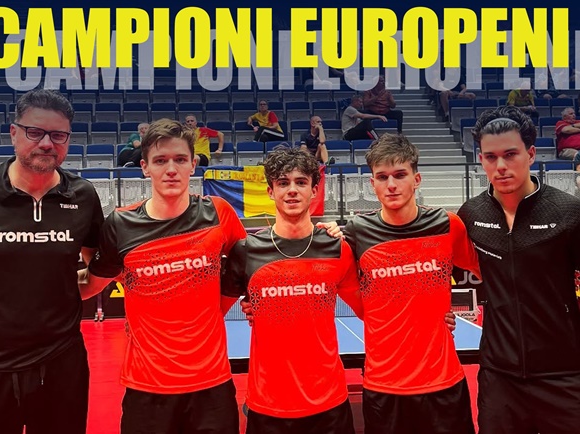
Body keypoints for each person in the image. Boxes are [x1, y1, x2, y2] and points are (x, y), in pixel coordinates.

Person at [78, 118, 247, 434]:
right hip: (147, 388)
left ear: (193, 165)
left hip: (212, 385)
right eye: (160, 161)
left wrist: (322, 233)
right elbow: (89, 284)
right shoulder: (121, 224)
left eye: (180, 159)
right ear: (144, 167)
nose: (171, 169)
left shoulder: (218, 213)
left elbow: (255, 263)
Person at [0, 89, 104, 434]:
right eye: (35, 132)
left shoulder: (82, 195)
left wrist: (63, 294)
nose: (47, 143)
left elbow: (99, 263)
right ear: (13, 133)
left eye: (58, 135)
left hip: (61, 363)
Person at [341, 133, 481, 434]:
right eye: (382, 177)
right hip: (384, 387)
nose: (391, 184)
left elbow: (490, 271)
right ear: (372, 184)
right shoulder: (355, 232)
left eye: (400, 175)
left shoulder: (447, 225)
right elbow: (327, 280)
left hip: (444, 383)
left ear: (416, 179)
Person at [222, 146, 363, 434]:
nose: (292, 190)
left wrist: (434, 317)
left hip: (329, 403)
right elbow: (209, 315)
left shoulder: (338, 248)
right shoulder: (245, 251)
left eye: (301, 182)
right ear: (270, 191)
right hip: (268, 405)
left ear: (314, 190)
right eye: (283, 183)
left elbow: (369, 309)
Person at [457, 105, 580, 434]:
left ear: (531, 154)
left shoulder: (568, 212)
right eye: (491, 157)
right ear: (481, 159)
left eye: (510, 154)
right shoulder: (471, 215)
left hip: (564, 374)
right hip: (500, 377)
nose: (500, 166)